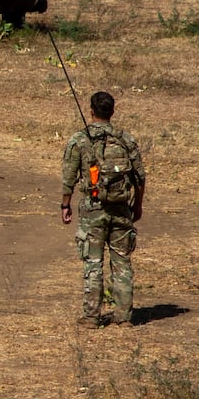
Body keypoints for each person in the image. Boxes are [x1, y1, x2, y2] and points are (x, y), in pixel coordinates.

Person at [60, 91, 146, 329]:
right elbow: (140, 178)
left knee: (93, 262)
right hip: (121, 210)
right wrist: (137, 205)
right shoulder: (126, 140)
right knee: (122, 263)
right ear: (113, 112)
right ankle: (123, 316)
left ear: (91, 111)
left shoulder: (80, 140)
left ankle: (91, 316)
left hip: (93, 210)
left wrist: (65, 204)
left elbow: (68, 178)